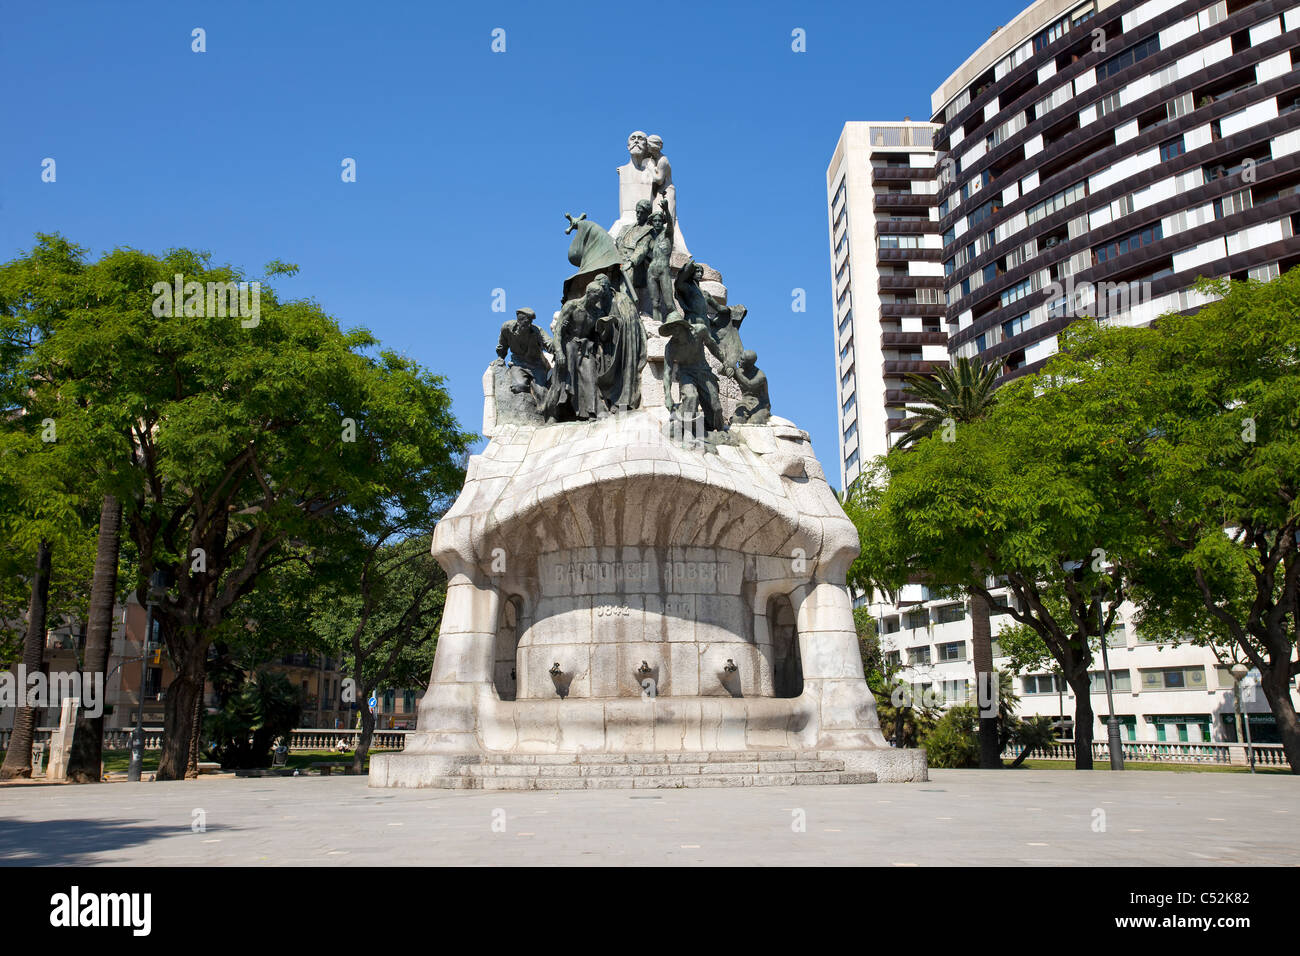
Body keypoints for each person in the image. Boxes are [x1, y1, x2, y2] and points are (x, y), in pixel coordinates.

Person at [494, 307, 553, 404]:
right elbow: (502, 345)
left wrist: (557, 349)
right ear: (519, 321)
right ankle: (529, 397)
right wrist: (500, 358)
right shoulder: (507, 328)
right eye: (526, 322)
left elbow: (549, 343)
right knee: (519, 386)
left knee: (542, 392)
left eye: (530, 322)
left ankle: (544, 411)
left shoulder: (537, 331)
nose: (529, 325)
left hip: (536, 364)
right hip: (518, 363)